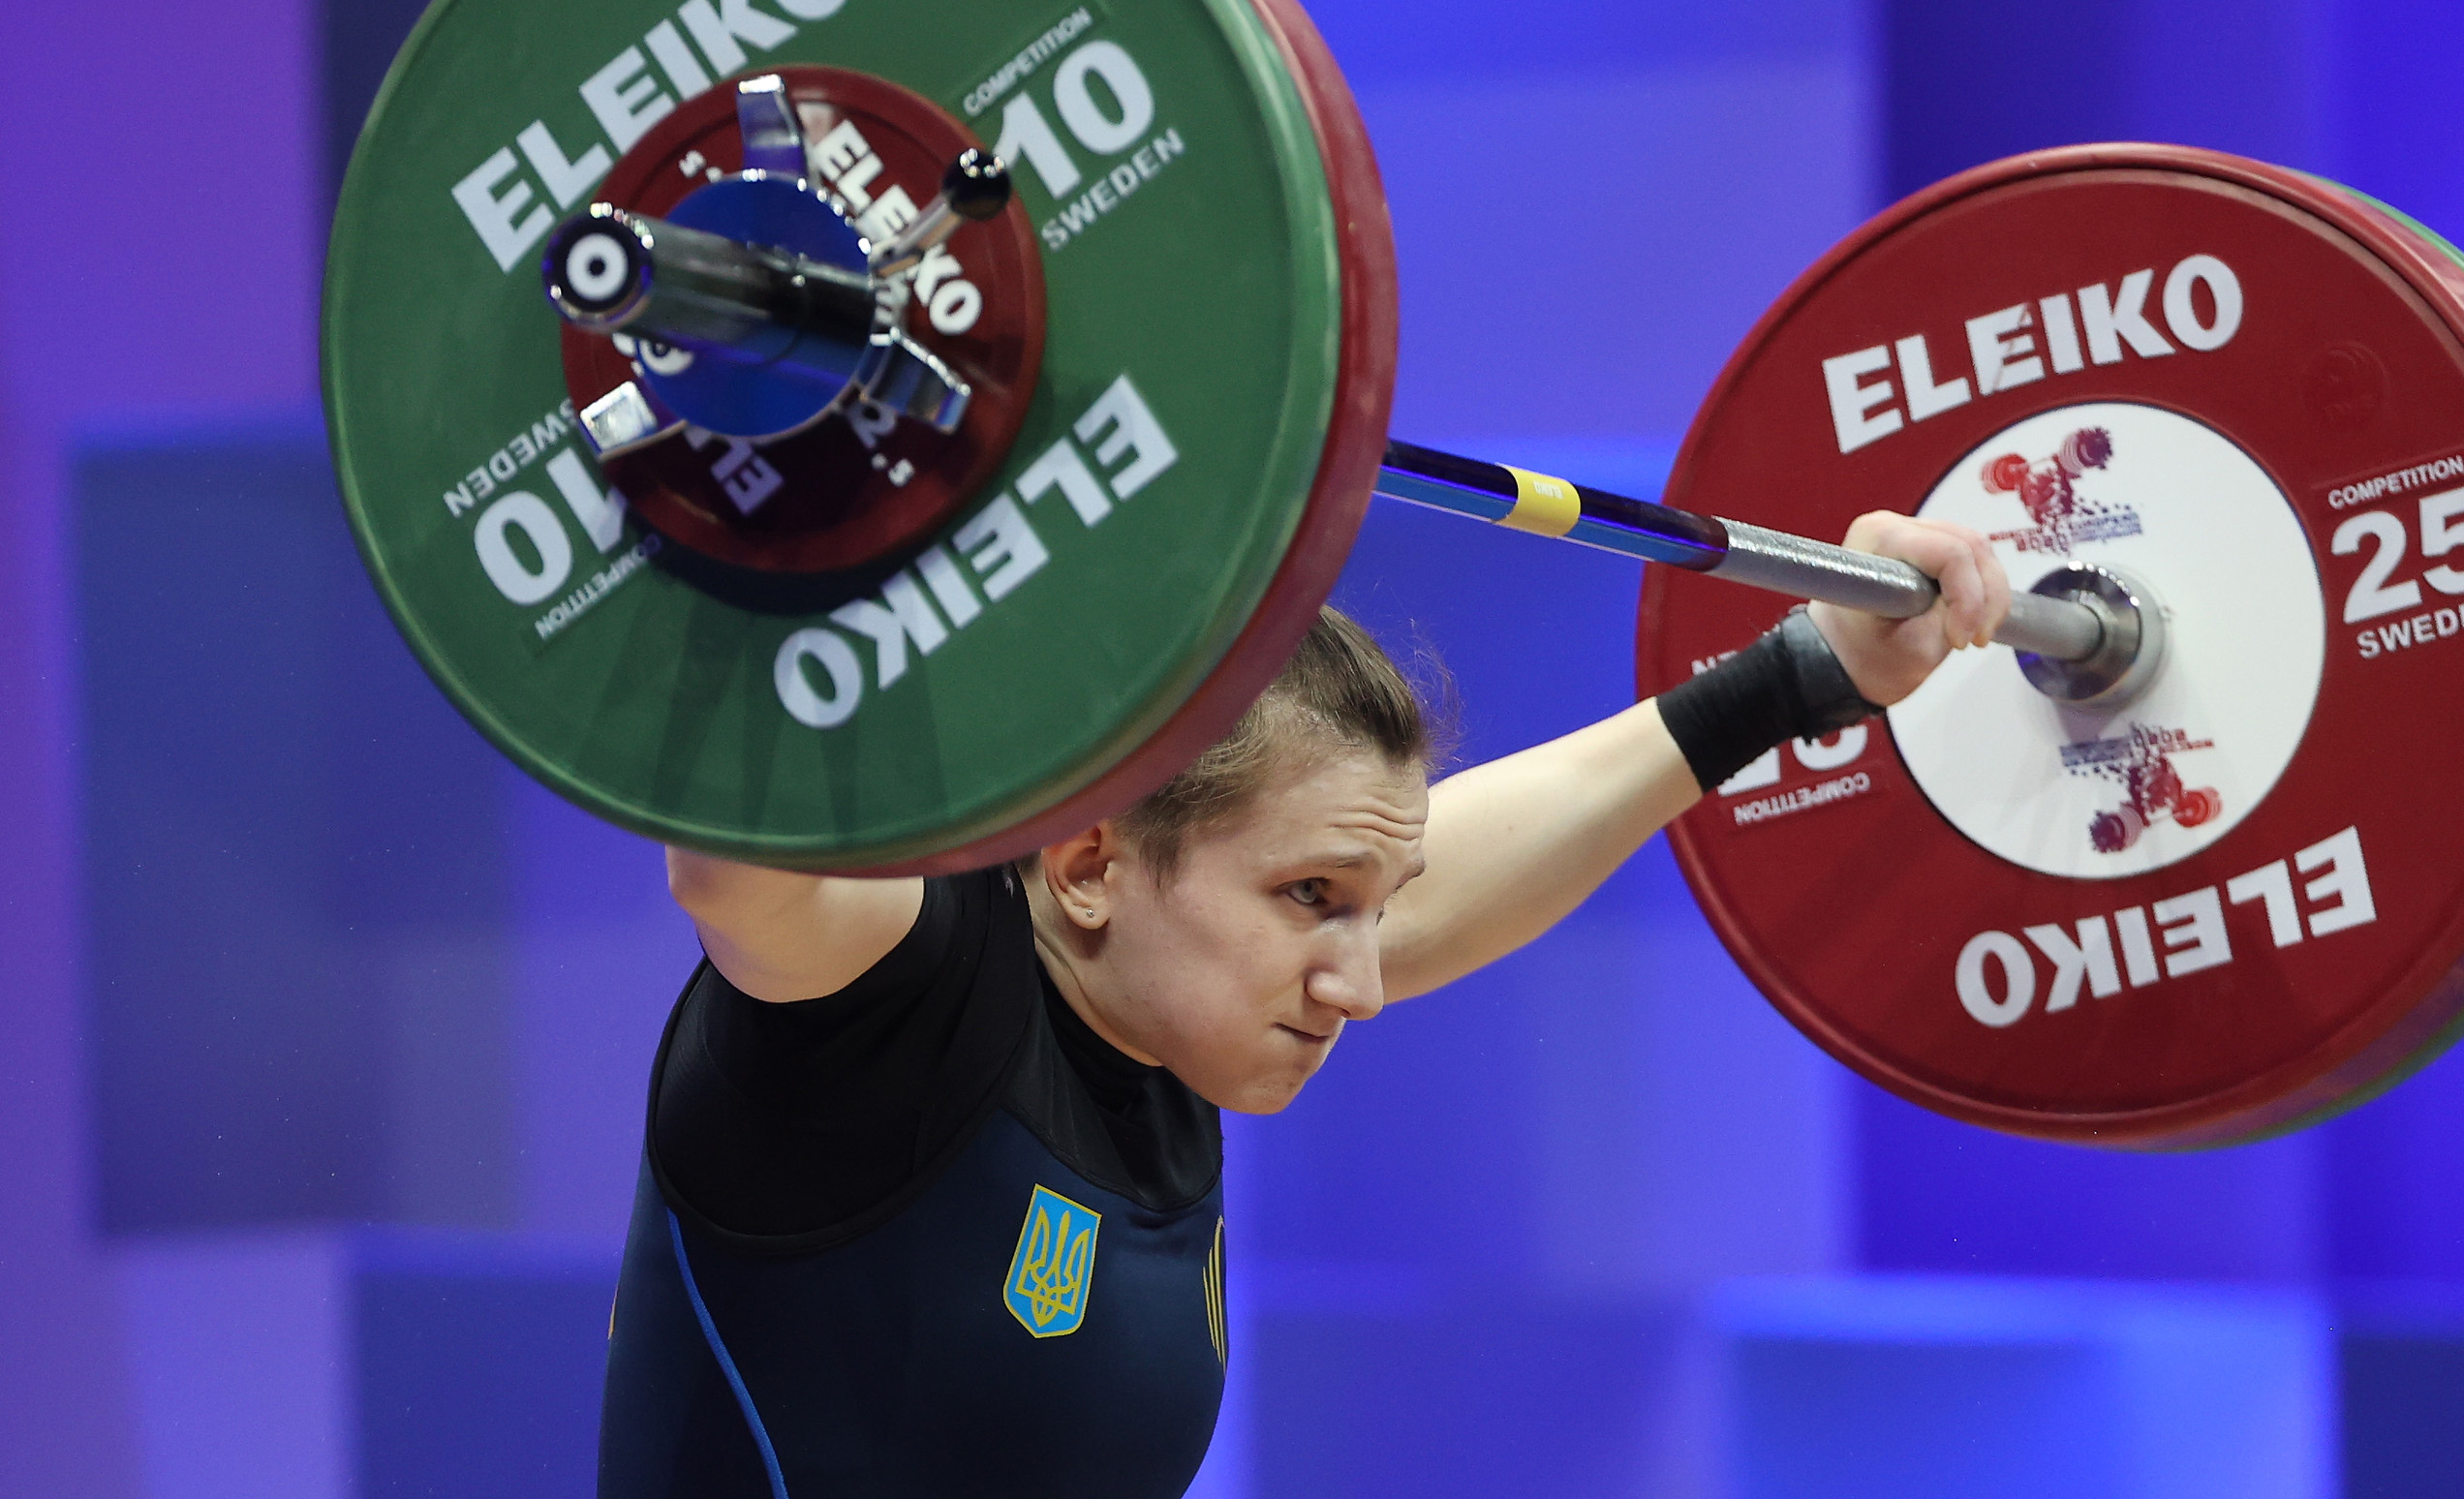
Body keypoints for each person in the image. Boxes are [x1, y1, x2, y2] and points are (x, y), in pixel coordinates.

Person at [597, 512, 2010, 1497]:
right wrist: (790, 511)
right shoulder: (895, 1009)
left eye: (1371, 908)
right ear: (1087, 863)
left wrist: (1807, 671)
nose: (1364, 982)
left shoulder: (1162, 1009)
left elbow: (1464, 858)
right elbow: (734, 868)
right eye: (1311, 897)